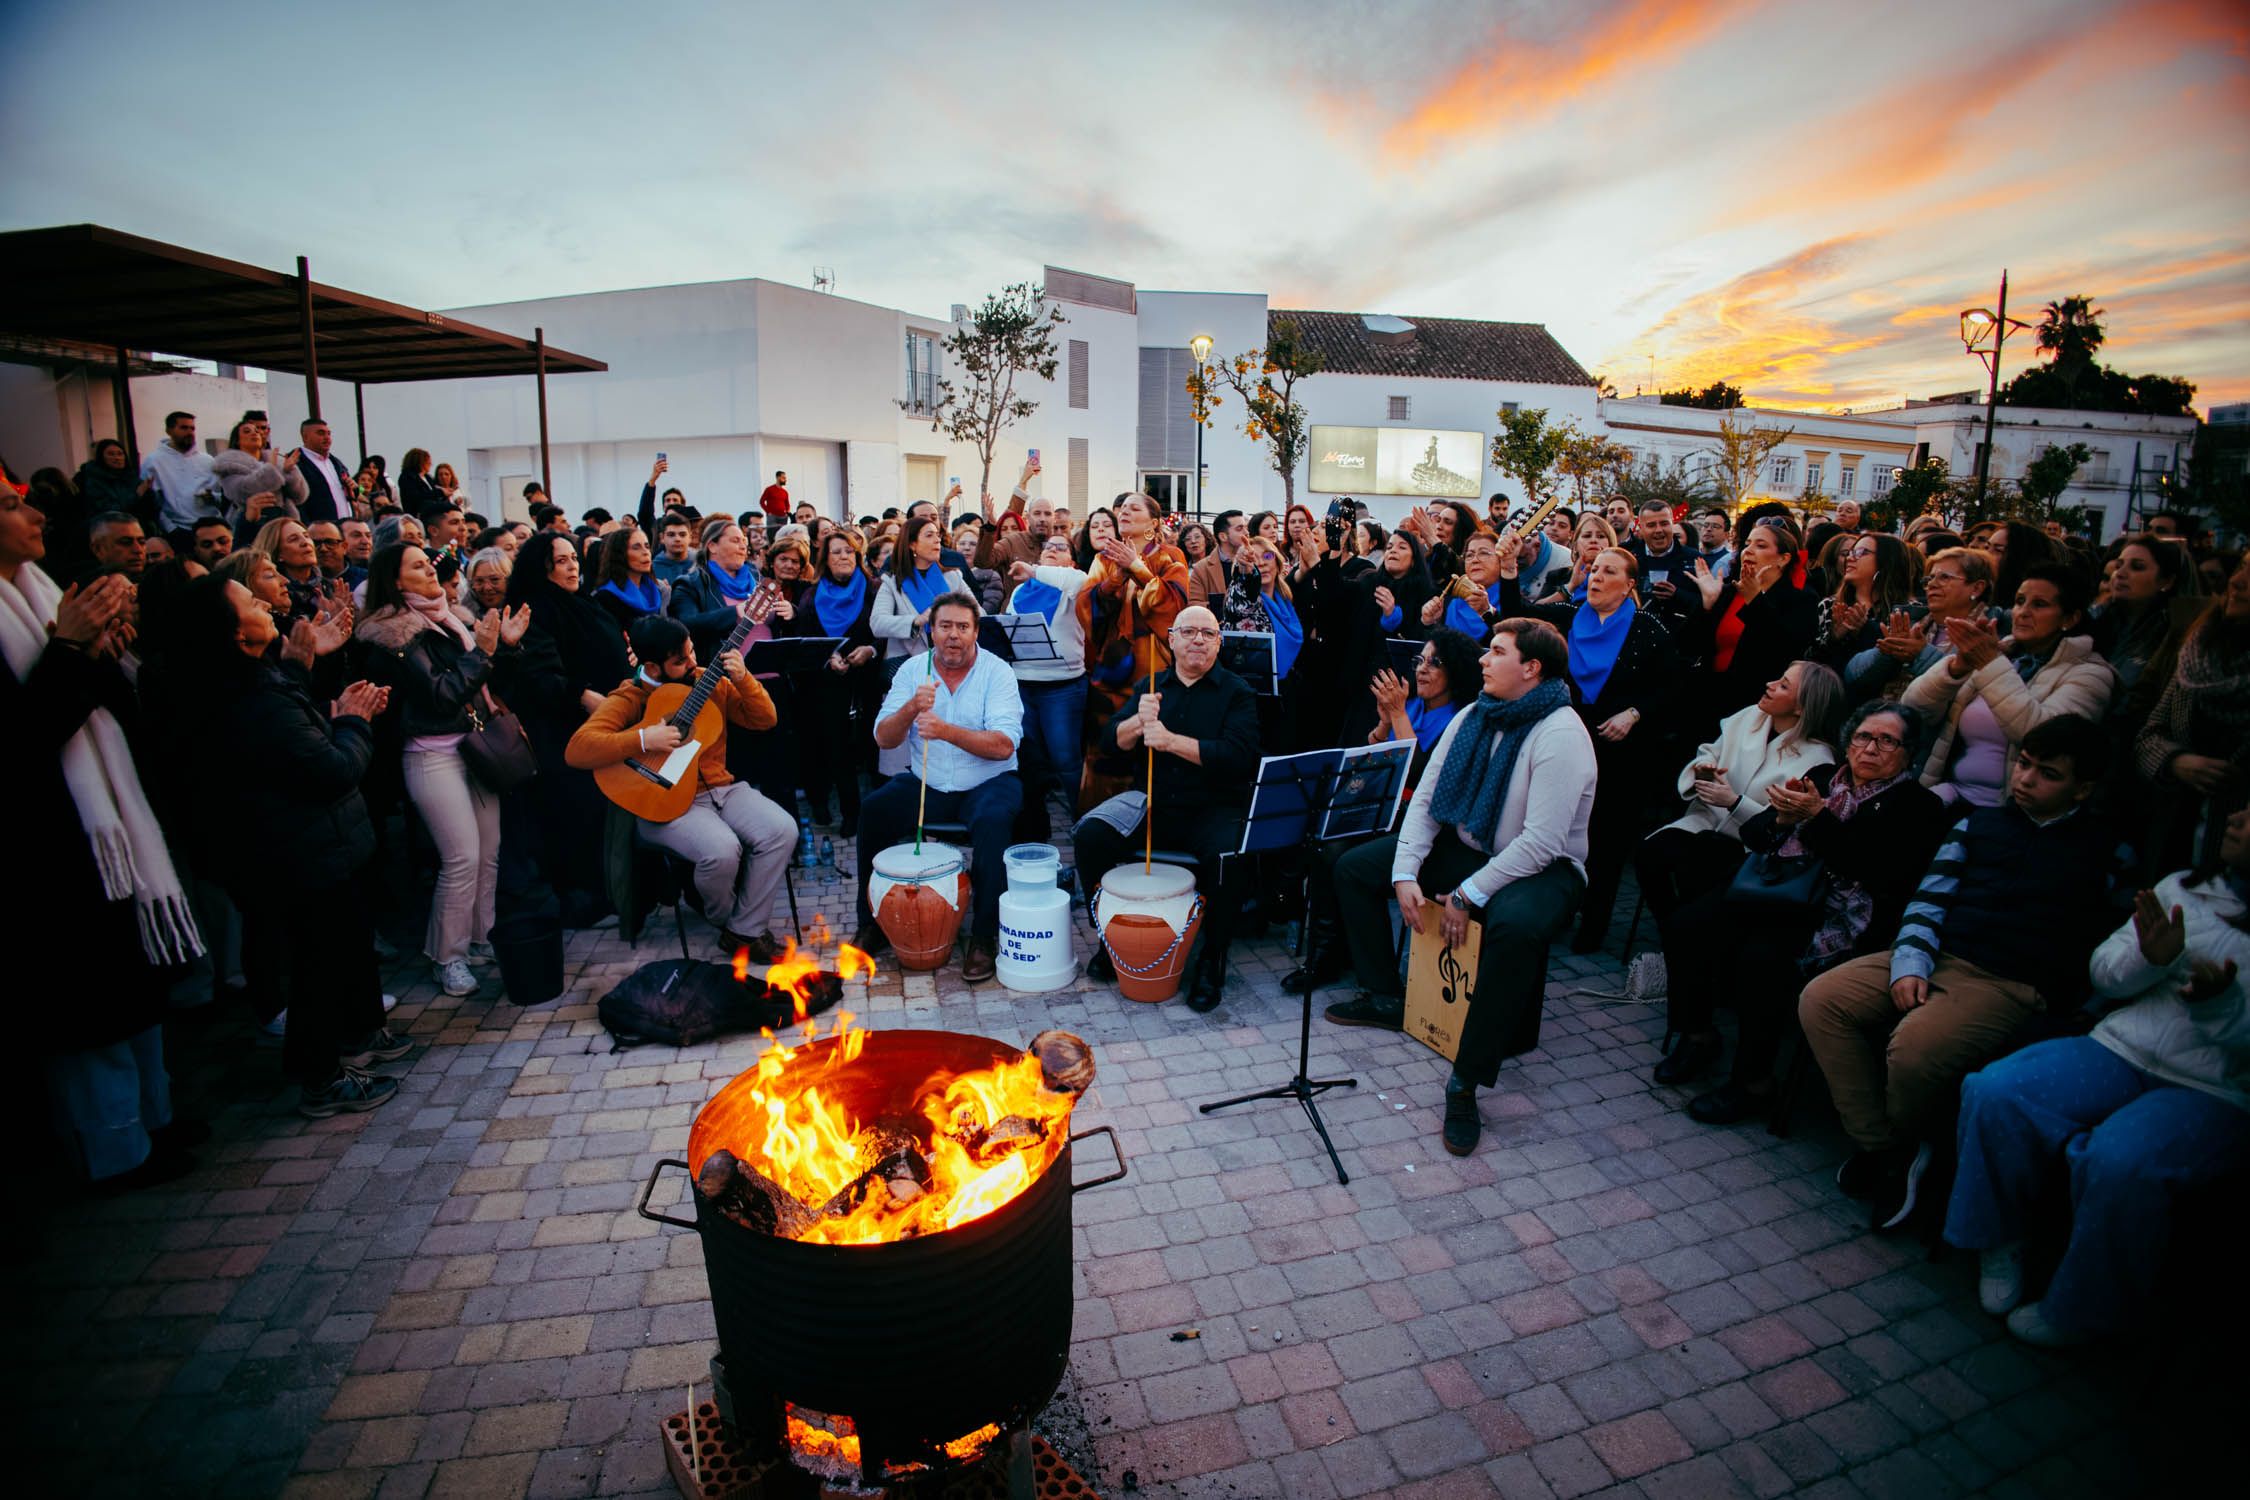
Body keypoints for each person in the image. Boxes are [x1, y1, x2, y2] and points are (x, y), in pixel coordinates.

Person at [1944, 805, 2249, 1349]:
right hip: (2122, 1047)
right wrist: (2151, 961)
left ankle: (2081, 1309)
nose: (2236, 818)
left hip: (2217, 1087)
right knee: (1997, 1089)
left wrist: (2220, 1005)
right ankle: (2003, 1237)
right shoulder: (2184, 886)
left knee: (2120, 1159)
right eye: (2239, 806)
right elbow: (2104, 971)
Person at [1799, 714, 2115, 1231]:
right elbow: (1928, 901)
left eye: (2046, 773)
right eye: (2024, 765)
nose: (2025, 780)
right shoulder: (1979, 823)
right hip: (1937, 956)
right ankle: (1887, 1148)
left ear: (2083, 788)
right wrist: (1911, 963)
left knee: (1914, 1048)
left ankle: (1907, 1149)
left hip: (2008, 983)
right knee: (1824, 998)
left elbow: (2108, 941)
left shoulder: (2104, 851)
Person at [1326, 619, 1596, 1155]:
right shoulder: (1475, 714)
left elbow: (1541, 843)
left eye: (1496, 652)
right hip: (1473, 844)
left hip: (1544, 869)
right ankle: (1386, 995)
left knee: (1515, 927)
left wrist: (1469, 895)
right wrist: (1406, 873)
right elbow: (1426, 800)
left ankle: (1465, 1081)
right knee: (1356, 868)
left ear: (1531, 668)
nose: (1482, 660)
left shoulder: (1562, 734)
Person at [2, 486, 208, 1186]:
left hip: (115, 834)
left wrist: (101, 654)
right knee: (89, 1005)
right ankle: (113, 1150)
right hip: (53, 845)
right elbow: (21, 740)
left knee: (133, 985)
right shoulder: (43, 619)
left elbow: (112, 719)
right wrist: (68, 650)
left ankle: (154, 1120)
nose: (34, 516)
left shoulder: (37, 593)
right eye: (8, 505)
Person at [177, 574, 408, 1116]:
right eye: (250, 600)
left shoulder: (260, 682)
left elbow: (299, 735)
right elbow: (328, 770)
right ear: (235, 633)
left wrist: (309, 681)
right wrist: (354, 723)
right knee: (316, 970)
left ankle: (338, 1053)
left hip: (317, 846)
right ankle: (322, 1078)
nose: (264, 601)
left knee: (328, 960)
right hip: (304, 852)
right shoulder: (251, 697)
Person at [1658, 699, 1950, 1127]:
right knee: (1688, 925)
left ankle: (1753, 1083)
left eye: (1887, 742)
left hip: (1840, 915)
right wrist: (1779, 820)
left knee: (1761, 960)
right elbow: (1757, 837)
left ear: (1908, 754)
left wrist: (1816, 817)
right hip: (1777, 889)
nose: (1870, 749)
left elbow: (1876, 870)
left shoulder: (1917, 807)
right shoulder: (1821, 777)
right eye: (1864, 736)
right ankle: (1699, 1035)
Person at [1637, 662, 1843, 1078]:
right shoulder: (1750, 716)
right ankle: (1684, 959)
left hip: (1756, 857)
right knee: (1651, 855)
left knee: (1695, 903)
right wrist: (1703, 773)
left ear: (1801, 709)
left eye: (1782, 684)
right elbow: (1709, 750)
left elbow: (1775, 832)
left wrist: (1733, 801)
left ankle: (1697, 1023)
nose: (1768, 683)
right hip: (1706, 822)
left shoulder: (1817, 762)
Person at [566, 614, 796, 959]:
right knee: (721, 851)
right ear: (653, 667)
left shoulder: (707, 679)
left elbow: (765, 719)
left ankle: (743, 931)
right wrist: (644, 738)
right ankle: (728, 920)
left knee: (782, 830)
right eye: (680, 660)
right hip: (664, 802)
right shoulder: (631, 696)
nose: (692, 662)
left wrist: (744, 678)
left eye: (691, 652)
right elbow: (578, 750)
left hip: (723, 789)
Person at [357, 544, 531, 994]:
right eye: (417, 566)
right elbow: (441, 695)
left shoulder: (451, 618)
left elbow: (484, 682)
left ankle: (481, 937)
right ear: (395, 581)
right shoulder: (391, 633)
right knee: (461, 857)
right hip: (432, 753)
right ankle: (446, 956)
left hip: (475, 744)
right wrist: (485, 652)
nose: (432, 571)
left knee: (488, 851)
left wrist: (503, 648)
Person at [1075, 605, 1261, 1010]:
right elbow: (1110, 742)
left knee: (1230, 857)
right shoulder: (1151, 685)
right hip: (1151, 803)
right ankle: (1110, 938)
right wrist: (1135, 726)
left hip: (1212, 806)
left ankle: (1212, 958)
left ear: (1219, 643)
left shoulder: (1237, 692)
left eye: (1208, 634)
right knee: (1090, 837)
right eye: (1189, 632)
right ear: (1172, 639)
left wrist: (1170, 741)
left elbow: (1237, 757)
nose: (1198, 640)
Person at [1498, 541, 1677, 951]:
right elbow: (1515, 617)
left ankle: (1594, 924)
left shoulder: (1649, 629)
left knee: (1607, 842)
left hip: (1623, 754)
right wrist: (1508, 570)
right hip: (1569, 746)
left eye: (1609, 571)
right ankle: (1558, 911)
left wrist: (1634, 713)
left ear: (1630, 584)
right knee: (1559, 833)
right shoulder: (1570, 617)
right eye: (1594, 569)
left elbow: (1672, 689)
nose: (1597, 576)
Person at [1291, 627, 1482, 996]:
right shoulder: (1411, 706)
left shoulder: (1460, 719)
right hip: (1389, 806)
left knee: (1345, 857)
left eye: (1435, 662)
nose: (1422, 669)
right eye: (1419, 661)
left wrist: (1396, 715)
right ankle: (1330, 951)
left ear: (1456, 671)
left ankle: (1343, 956)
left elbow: (1423, 773)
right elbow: (1379, 754)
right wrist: (1383, 722)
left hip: (1425, 823)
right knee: (1323, 841)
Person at [851, 592, 1024, 981]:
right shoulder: (912, 670)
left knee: (994, 821)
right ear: (931, 631)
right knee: (875, 809)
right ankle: (872, 923)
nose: (953, 636)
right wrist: (911, 708)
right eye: (944, 626)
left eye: (963, 627)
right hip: (929, 781)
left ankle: (984, 935)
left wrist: (945, 731)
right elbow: (883, 738)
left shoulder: (998, 672)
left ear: (976, 632)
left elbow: (1003, 745)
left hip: (989, 781)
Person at [1903, 563, 2115, 807]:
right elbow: (1914, 708)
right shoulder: (2000, 653)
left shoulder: (2092, 674)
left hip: (2011, 810)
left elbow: (2046, 742)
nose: (2023, 612)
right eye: (2020, 601)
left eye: (2039, 604)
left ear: (2069, 618)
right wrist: (1957, 667)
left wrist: (1989, 664)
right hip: (1950, 792)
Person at [506, 530, 631, 920]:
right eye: (560, 561)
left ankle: (611, 892)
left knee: (604, 816)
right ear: (541, 568)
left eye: (574, 558)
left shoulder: (583, 603)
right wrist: (583, 694)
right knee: (574, 814)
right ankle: (579, 901)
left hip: (605, 722)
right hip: (564, 730)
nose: (572, 566)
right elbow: (539, 673)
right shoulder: (536, 608)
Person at [2132, 554, 2249, 875]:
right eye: (2241, 567)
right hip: (2173, 838)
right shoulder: (2200, 654)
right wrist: (2175, 761)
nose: (2237, 582)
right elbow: (2149, 733)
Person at [1077, 494, 1190, 797]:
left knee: (1150, 749)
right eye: (1123, 508)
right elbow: (1086, 610)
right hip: (1110, 675)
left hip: (1154, 671)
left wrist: (1137, 568)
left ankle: (1152, 823)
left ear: (1153, 523)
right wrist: (1114, 580)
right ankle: (1098, 825)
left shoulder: (1170, 556)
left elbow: (1175, 607)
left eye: (1134, 508)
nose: (1125, 512)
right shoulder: (1103, 559)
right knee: (1105, 749)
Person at [1678, 515, 1820, 737]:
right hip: (1709, 701)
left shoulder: (1802, 599)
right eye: (1747, 544)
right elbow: (1688, 644)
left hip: (1755, 709)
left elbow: (1784, 648)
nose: (1749, 550)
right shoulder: (1730, 591)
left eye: (1761, 545)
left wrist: (1755, 600)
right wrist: (1706, 605)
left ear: (1783, 558)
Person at [1001, 533, 1091, 839]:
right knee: (1029, 761)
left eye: (1060, 547)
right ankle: (1036, 829)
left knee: (1066, 760)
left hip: (1062, 688)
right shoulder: (1019, 593)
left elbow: (1077, 581)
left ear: (1071, 560)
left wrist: (1034, 569)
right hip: (1022, 685)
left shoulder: (1075, 584)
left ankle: (1084, 821)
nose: (1051, 549)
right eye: (1047, 547)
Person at [794, 530, 883, 833]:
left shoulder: (874, 589)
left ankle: (881, 813)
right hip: (829, 679)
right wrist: (828, 657)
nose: (843, 557)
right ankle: (850, 814)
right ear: (825, 559)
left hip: (869, 678)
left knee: (874, 746)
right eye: (836, 552)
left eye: (849, 551)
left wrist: (870, 650)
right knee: (837, 748)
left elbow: (884, 633)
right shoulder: (810, 595)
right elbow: (806, 637)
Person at [1845, 545, 1998, 706]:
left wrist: (1921, 654)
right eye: (1929, 579)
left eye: (1944, 577)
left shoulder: (1990, 632)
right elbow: (1852, 675)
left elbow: (1970, 691)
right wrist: (1887, 654)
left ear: (1977, 587)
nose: (1932, 584)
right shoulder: (1913, 622)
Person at [1811, 532, 1914, 670]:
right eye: (1850, 552)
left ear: (1887, 560)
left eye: (1861, 552)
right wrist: (1835, 638)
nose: (1850, 558)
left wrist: (1867, 630)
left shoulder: (1906, 611)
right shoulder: (1829, 605)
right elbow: (1812, 662)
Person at [141, 411, 222, 533]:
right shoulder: (153, 462)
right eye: (184, 428)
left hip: (214, 526)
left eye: (192, 428)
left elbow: (221, 495)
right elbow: (153, 503)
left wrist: (212, 497)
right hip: (180, 530)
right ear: (169, 431)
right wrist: (171, 529)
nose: (190, 432)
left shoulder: (207, 460)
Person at [588, 525, 671, 636]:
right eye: (636, 547)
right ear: (620, 554)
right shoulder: (605, 598)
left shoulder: (658, 590)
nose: (645, 552)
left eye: (647, 546)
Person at [1624, 499, 1695, 614]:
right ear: (1641, 529)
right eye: (1651, 525)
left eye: (1664, 523)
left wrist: (1678, 594)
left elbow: (1705, 604)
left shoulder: (1694, 559)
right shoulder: (1629, 561)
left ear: (1672, 524)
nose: (1658, 530)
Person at [1187, 509, 1245, 607]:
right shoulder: (1201, 569)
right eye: (1239, 529)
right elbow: (1194, 605)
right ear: (1223, 537)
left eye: (1246, 528)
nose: (1247, 532)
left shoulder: (1256, 561)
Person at [85, 513, 149, 581]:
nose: (138, 549)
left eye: (142, 542)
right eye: (125, 542)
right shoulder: (81, 588)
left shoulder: (159, 580)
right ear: (98, 549)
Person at [463, 545, 513, 621]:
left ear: (508, 580)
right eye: (479, 581)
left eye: (494, 579)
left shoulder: (524, 614)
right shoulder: (460, 618)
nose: (487, 588)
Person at [653, 511, 698, 585]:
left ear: (690, 537)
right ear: (662, 538)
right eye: (671, 535)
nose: (677, 539)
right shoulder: (652, 570)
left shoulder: (703, 564)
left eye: (682, 535)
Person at [398, 448, 443, 518]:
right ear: (419, 462)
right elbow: (416, 497)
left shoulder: (428, 478)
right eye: (428, 461)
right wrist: (440, 492)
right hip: (417, 516)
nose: (430, 464)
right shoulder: (407, 477)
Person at [1694, 507, 1734, 579]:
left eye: (1715, 526)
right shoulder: (1692, 555)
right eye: (1706, 525)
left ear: (1726, 535)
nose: (1708, 529)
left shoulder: (1729, 561)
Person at [759, 469, 791, 536]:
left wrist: (787, 512)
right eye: (783, 478)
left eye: (785, 478)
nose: (785, 479)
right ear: (778, 477)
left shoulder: (785, 492)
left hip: (783, 517)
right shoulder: (769, 489)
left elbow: (787, 504)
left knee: (782, 535)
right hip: (772, 517)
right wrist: (768, 512)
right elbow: (762, 501)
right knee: (771, 534)